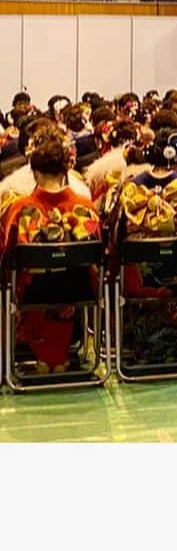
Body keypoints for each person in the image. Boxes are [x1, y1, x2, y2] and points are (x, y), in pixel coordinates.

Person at [1, 130, 102, 375]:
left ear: (34, 173)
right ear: (66, 171)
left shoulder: (19, 210)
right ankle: (59, 356)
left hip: (31, 294)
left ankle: (45, 356)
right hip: (80, 292)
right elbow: (97, 256)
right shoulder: (85, 208)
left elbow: (6, 256)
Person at [113, 129, 177, 363]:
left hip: (138, 281)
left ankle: (142, 339)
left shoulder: (130, 189)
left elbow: (116, 236)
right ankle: (171, 339)